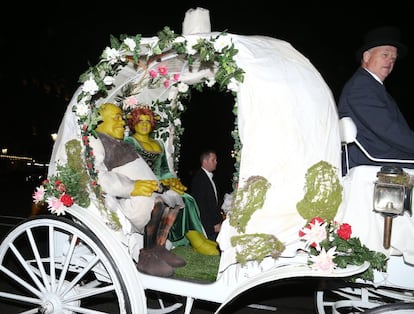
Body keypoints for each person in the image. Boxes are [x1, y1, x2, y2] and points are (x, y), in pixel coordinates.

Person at [89, 103, 186, 277]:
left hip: (148, 190)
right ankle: (146, 255)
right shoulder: (96, 140)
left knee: (174, 199)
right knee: (152, 202)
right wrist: (133, 187)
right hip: (130, 200)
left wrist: (161, 185)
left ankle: (159, 247)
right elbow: (99, 176)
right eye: (116, 117)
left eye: (122, 117)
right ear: (99, 122)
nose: (122, 122)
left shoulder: (121, 142)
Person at [124, 106, 206, 247]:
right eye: (140, 121)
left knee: (188, 199)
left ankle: (195, 236)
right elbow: (131, 169)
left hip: (161, 184)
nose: (144, 124)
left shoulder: (159, 144)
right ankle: (188, 239)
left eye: (148, 121)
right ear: (133, 124)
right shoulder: (130, 142)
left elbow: (164, 170)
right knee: (177, 199)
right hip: (143, 184)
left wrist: (172, 180)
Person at [337, 26, 414, 173]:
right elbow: (388, 130)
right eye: (385, 55)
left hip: (380, 153)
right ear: (366, 57)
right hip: (371, 157)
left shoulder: (373, 87)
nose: (390, 61)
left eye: (393, 58)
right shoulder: (361, 86)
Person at [191, 149, 223, 241]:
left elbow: (214, 202)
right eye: (213, 160)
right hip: (208, 227)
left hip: (214, 224)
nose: (216, 162)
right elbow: (201, 206)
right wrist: (213, 225)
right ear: (205, 161)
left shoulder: (210, 177)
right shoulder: (199, 179)